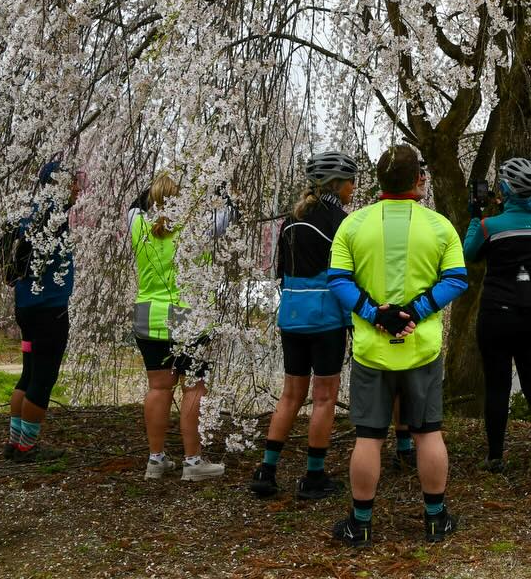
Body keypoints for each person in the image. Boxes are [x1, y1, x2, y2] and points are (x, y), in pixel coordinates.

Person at [327, 145, 470, 546]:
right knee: (428, 433)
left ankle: (361, 523)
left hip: (372, 349)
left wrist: (377, 314)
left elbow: (337, 280)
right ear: (417, 180)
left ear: (379, 180)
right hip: (421, 348)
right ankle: (435, 518)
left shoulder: (353, 225)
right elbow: (457, 278)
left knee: (369, 436)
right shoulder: (440, 226)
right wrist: (416, 311)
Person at [249, 151, 358, 500]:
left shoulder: (292, 221)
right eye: (352, 182)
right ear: (338, 185)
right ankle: (314, 475)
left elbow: (281, 272)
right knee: (324, 396)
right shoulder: (342, 222)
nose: (354, 188)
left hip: (292, 316)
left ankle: (266, 470)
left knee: (291, 393)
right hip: (326, 318)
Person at [129, 172, 230, 482]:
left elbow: (133, 205)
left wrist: (159, 187)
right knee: (194, 387)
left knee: (158, 388)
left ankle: (156, 459)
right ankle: (192, 461)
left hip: (149, 315)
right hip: (190, 316)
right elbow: (229, 210)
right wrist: (216, 183)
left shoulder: (138, 225)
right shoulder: (198, 228)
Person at [464, 157, 531, 471]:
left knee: (497, 386)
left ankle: (495, 457)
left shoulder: (489, 226)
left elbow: (469, 254)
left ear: (505, 188)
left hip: (497, 313)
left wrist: (474, 216)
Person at [1, 161, 78, 463]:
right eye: (71, 182)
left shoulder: (27, 212)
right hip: (50, 310)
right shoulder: (52, 216)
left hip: (27, 309)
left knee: (29, 373)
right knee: (43, 378)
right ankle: (27, 447)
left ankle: (14, 442)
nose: (76, 188)